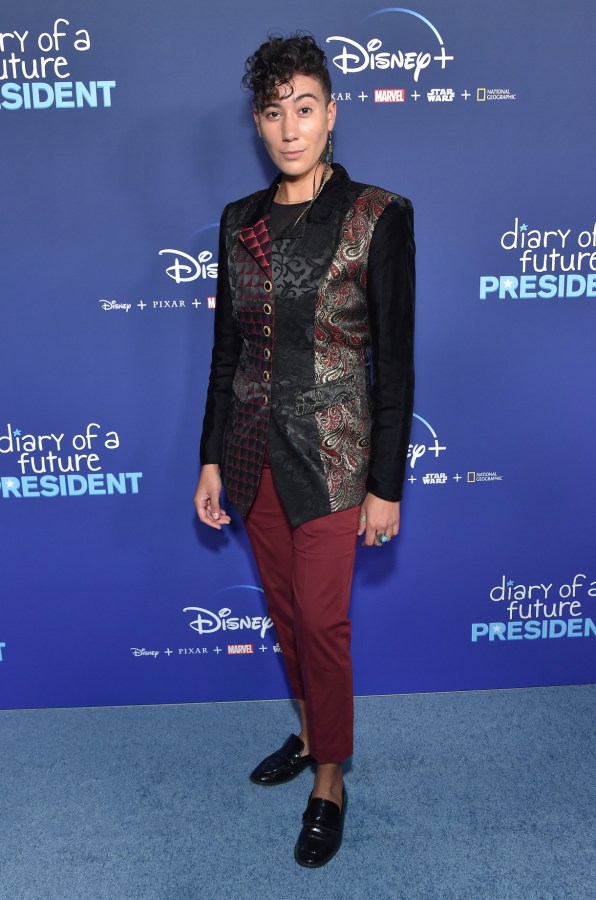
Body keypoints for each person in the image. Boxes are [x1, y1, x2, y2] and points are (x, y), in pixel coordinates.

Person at [194, 33, 415, 868]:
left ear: (332, 114)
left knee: (322, 623)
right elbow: (226, 353)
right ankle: (310, 728)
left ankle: (330, 777)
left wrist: (386, 485)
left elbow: (394, 360)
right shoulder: (237, 221)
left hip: (334, 462)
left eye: (307, 108)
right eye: (276, 112)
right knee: (287, 622)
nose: (292, 128)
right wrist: (210, 457)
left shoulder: (377, 216)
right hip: (252, 460)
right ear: (259, 123)